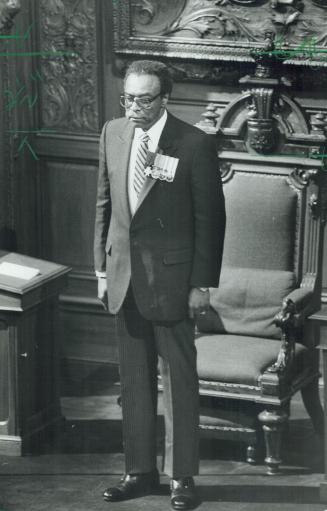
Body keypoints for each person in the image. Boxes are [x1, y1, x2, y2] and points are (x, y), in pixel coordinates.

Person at [94, 59, 225, 510]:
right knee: (133, 382)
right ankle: (139, 472)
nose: (133, 107)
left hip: (173, 282)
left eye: (144, 99)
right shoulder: (112, 133)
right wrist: (99, 270)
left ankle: (181, 478)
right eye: (128, 98)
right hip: (123, 278)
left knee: (180, 383)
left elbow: (211, 222)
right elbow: (104, 205)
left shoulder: (193, 144)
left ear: (165, 98)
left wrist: (201, 285)